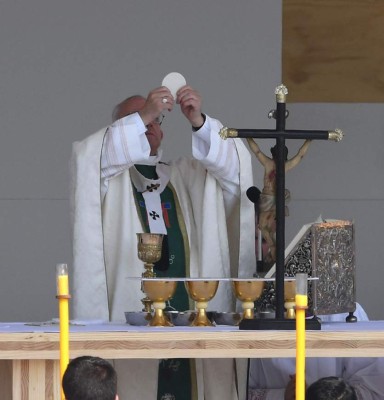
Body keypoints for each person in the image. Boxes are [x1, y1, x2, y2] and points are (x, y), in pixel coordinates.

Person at [70, 84, 255, 399]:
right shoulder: (107, 178)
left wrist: (199, 122)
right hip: (129, 319)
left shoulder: (185, 177)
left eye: (156, 120)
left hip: (190, 320)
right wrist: (146, 112)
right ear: (119, 131)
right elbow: (92, 155)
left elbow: (235, 171)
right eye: (139, 119)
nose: (149, 126)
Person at [247, 304, 384, 400]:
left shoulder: (344, 312)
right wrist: (282, 396)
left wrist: (331, 393)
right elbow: (232, 391)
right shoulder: (254, 313)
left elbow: (378, 391)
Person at [246, 138, 312, 267]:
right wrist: (248, 137)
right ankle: (274, 257)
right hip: (268, 199)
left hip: (273, 199)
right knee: (266, 230)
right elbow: (300, 155)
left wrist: (309, 141)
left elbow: (257, 151)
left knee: (268, 230)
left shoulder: (274, 164)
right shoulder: (274, 164)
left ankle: (275, 257)